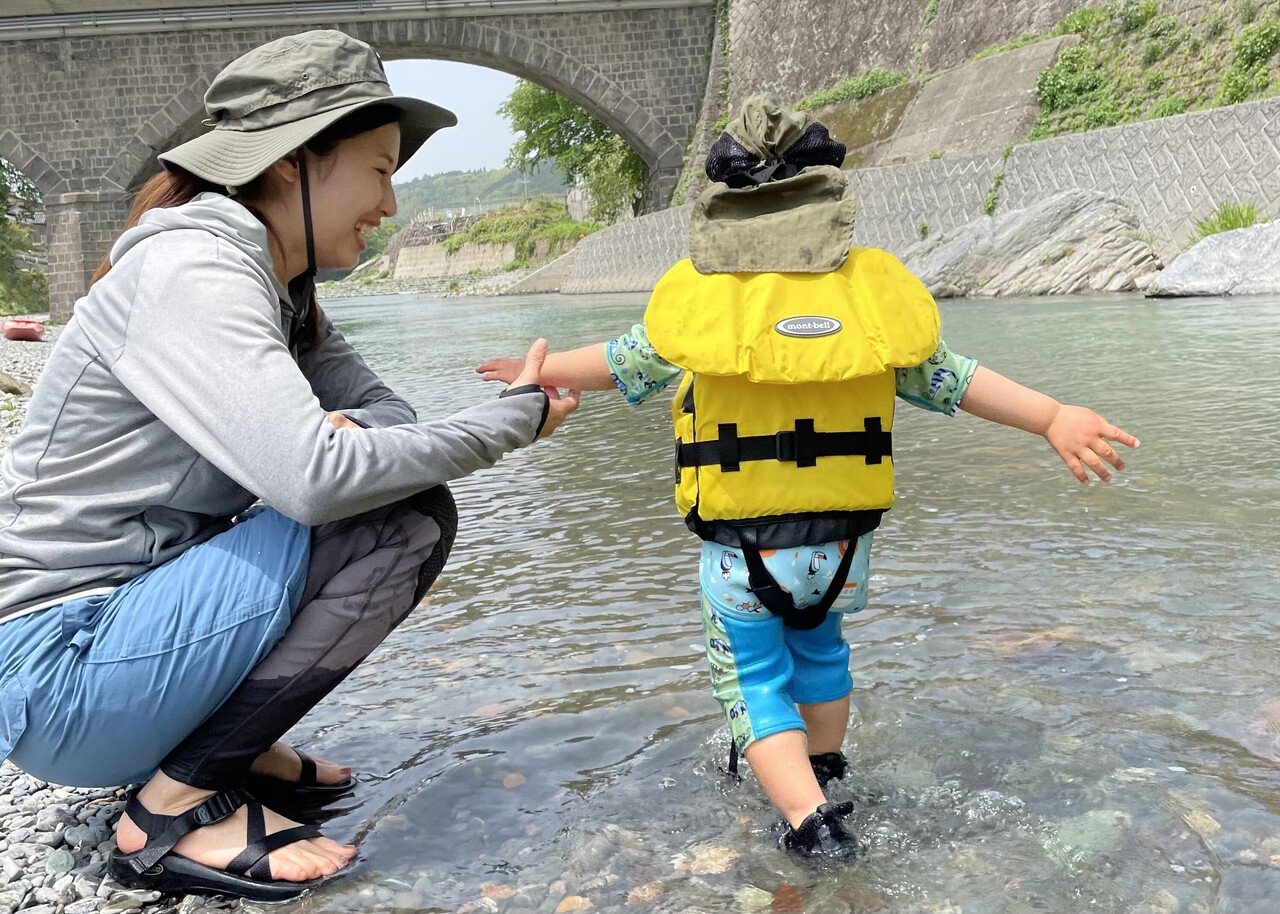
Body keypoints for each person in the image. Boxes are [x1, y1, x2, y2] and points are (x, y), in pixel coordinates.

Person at [0, 30, 578, 901]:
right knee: (400, 517)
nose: (390, 202)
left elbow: (390, 419)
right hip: (58, 672)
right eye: (379, 170)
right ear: (290, 163)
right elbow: (319, 480)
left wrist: (341, 438)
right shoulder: (195, 270)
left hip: (115, 644)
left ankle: (223, 747)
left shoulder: (282, 289)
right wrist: (507, 423)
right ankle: (169, 811)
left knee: (385, 489)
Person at [476, 97, 1137, 859]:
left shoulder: (704, 310)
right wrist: (1052, 416)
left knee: (752, 681)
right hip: (841, 550)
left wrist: (537, 371)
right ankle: (823, 768)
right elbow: (955, 379)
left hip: (742, 553)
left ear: (722, 214)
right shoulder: (868, 307)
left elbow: (618, 361)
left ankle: (812, 824)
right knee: (822, 655)